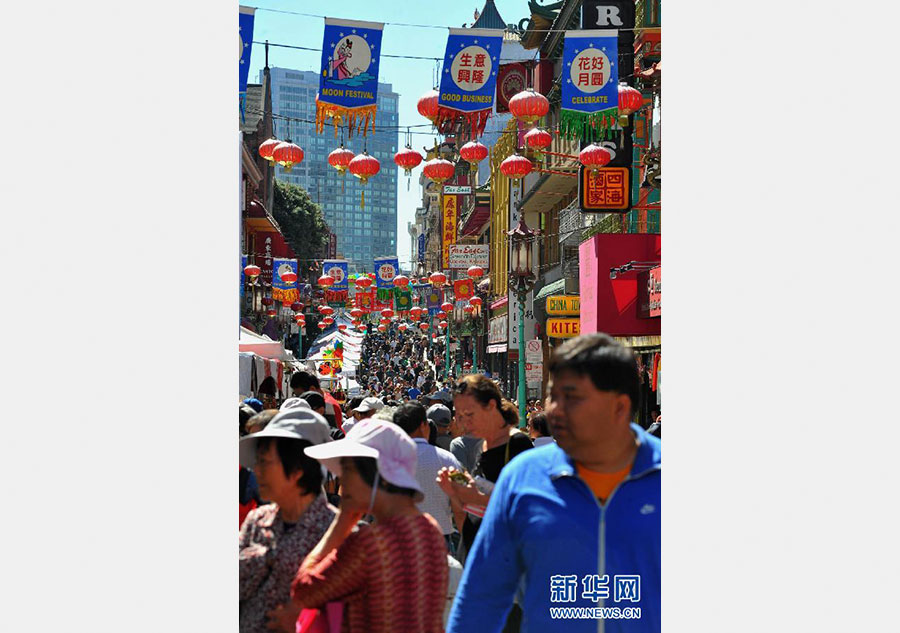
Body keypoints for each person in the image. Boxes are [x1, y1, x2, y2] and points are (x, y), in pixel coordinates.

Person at [446, 333, 661, 633]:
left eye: (571, 397)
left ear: (619, 407)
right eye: (552, 395)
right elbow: (481, 595)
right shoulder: (522, 477)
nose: (554, 410)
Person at [286, 418, 449, 633]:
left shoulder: (370, 543)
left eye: (348, 470)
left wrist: (341, 523)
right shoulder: (431, 530)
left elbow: (302, 591)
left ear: (380, 475)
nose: (344, 481)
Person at [238, 409, 336, 633]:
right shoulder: (257, 520)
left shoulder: (334, 531)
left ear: (297, 469)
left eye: (265, 463)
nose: (257, 472)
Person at [393, 402, 464, 550]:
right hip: (439, 538)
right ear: (424, 425)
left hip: (398, 540)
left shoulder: (386, 460)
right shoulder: (447, 459)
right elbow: (460, 502)